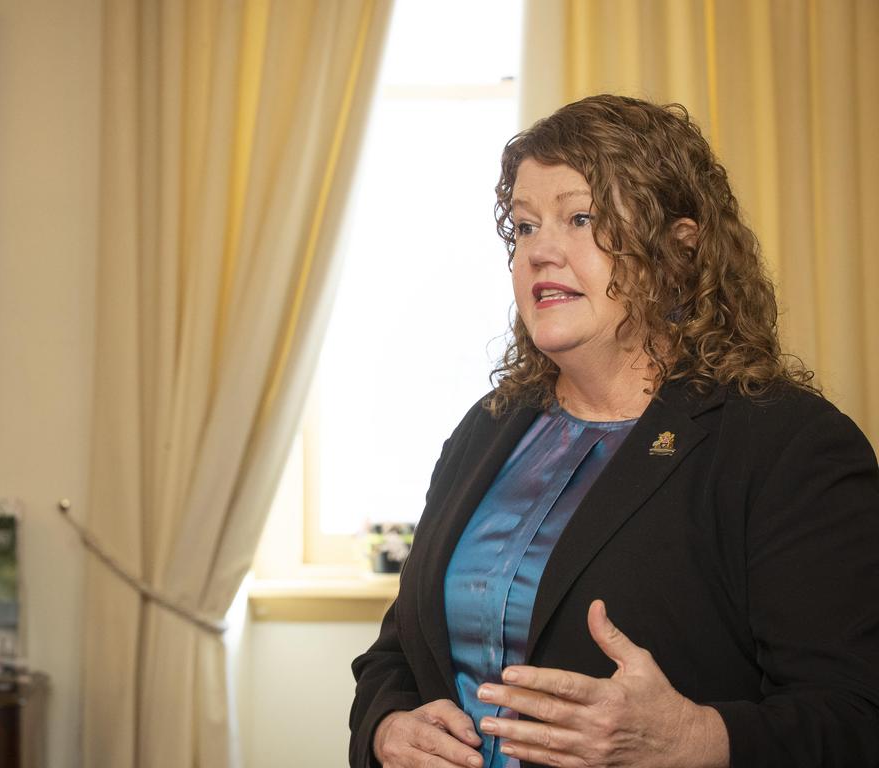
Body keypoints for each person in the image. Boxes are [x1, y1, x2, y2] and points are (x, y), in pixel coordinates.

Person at [349, 94, 879, 768]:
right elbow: (397, 651)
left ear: (679, 249)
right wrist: (387, 728)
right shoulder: (486, 431)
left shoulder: (787, 447)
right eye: (525, 227)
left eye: (580, 218)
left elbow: (857, 719)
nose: (541, 251)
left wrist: (692, 740)